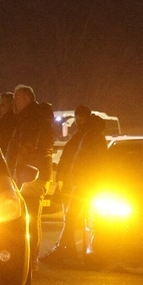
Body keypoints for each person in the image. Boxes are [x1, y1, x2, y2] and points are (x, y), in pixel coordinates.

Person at [42, 112, 107, 264]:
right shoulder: (90, 136)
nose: (79, 122)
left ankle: (67, 250)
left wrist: (78, 178)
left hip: (86, 184)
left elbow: (87, 161)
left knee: (74, 218)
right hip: (84, 183)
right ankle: (68, 249)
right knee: (74, 217)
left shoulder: (91, 137)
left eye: (81, 119)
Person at [6, 85, 54, 262]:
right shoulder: (33, 116)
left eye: (17, 98)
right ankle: (29, 256)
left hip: (31, 174)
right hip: (34, 172)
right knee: (31, 216)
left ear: (27, 98)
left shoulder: (31, 118)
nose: (14, 101)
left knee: (30, 216)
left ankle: (29, 258)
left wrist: (18, 170)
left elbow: (26, 146)